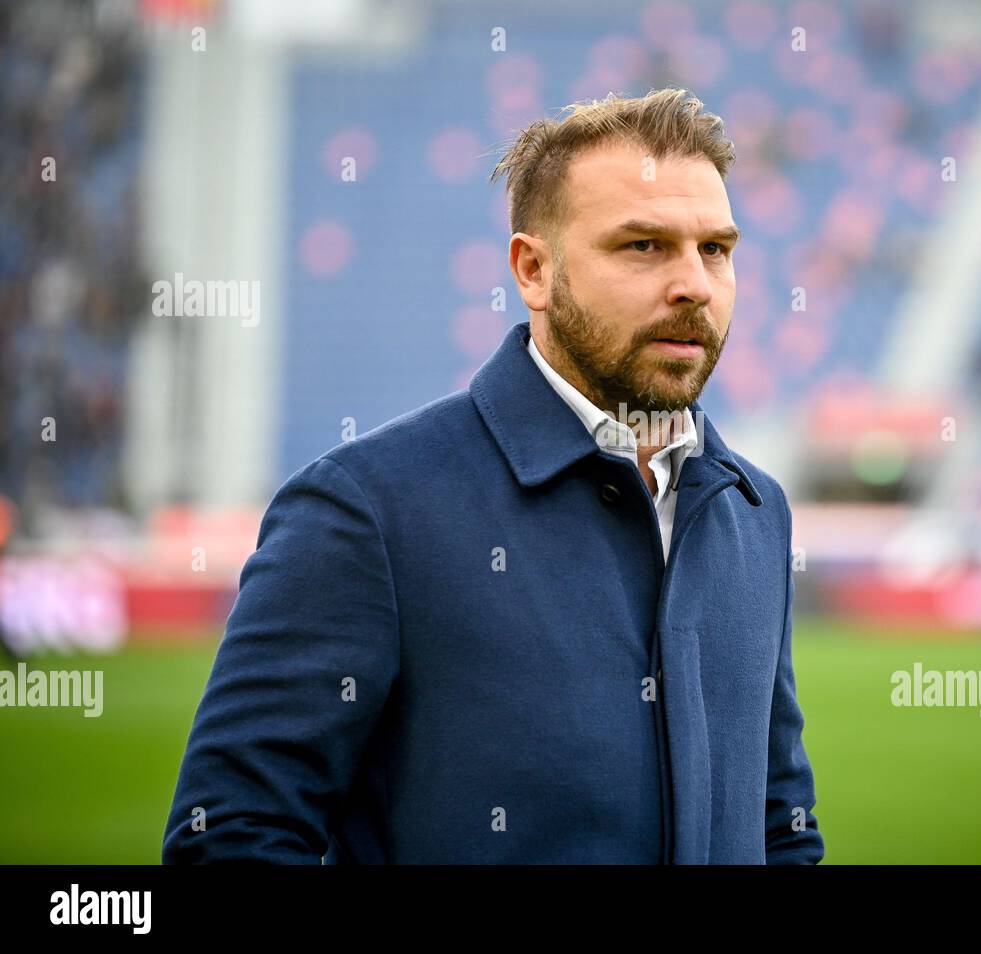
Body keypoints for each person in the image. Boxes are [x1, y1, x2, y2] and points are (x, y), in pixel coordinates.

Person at [162, 88, 824, 864]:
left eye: (715, 249)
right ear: (532, 270)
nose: (694, 285)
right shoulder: (367, 512)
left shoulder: (754, 510)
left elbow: (783, 828)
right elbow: (233, 835)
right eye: (642, 246)